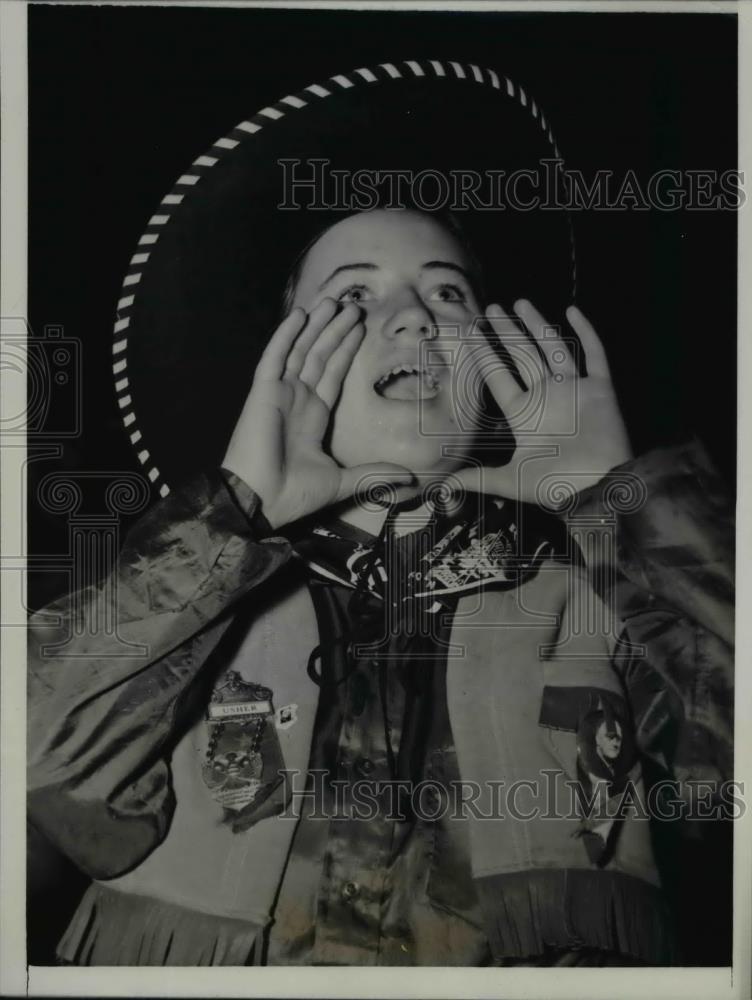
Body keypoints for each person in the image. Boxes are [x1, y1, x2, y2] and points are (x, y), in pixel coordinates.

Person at [27, 63, 734, 967]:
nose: (413, 318)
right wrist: (233, 521)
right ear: (286, 360)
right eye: (353, 296)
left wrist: (628, 504)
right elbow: (35, 762)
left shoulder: (598, 598)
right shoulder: (190, 591)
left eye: (448, 292)